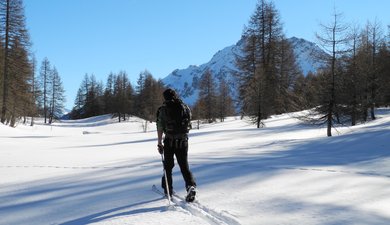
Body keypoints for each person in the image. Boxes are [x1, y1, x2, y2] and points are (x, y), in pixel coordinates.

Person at [156, 88, 197, 202]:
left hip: (169, 141)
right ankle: (190, 186)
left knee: (168, 167)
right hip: (183, 141)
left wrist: (159, 143)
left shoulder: (163, 109)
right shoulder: (185, 107)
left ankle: (167, 189)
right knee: (184, 166)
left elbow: (160, 127)